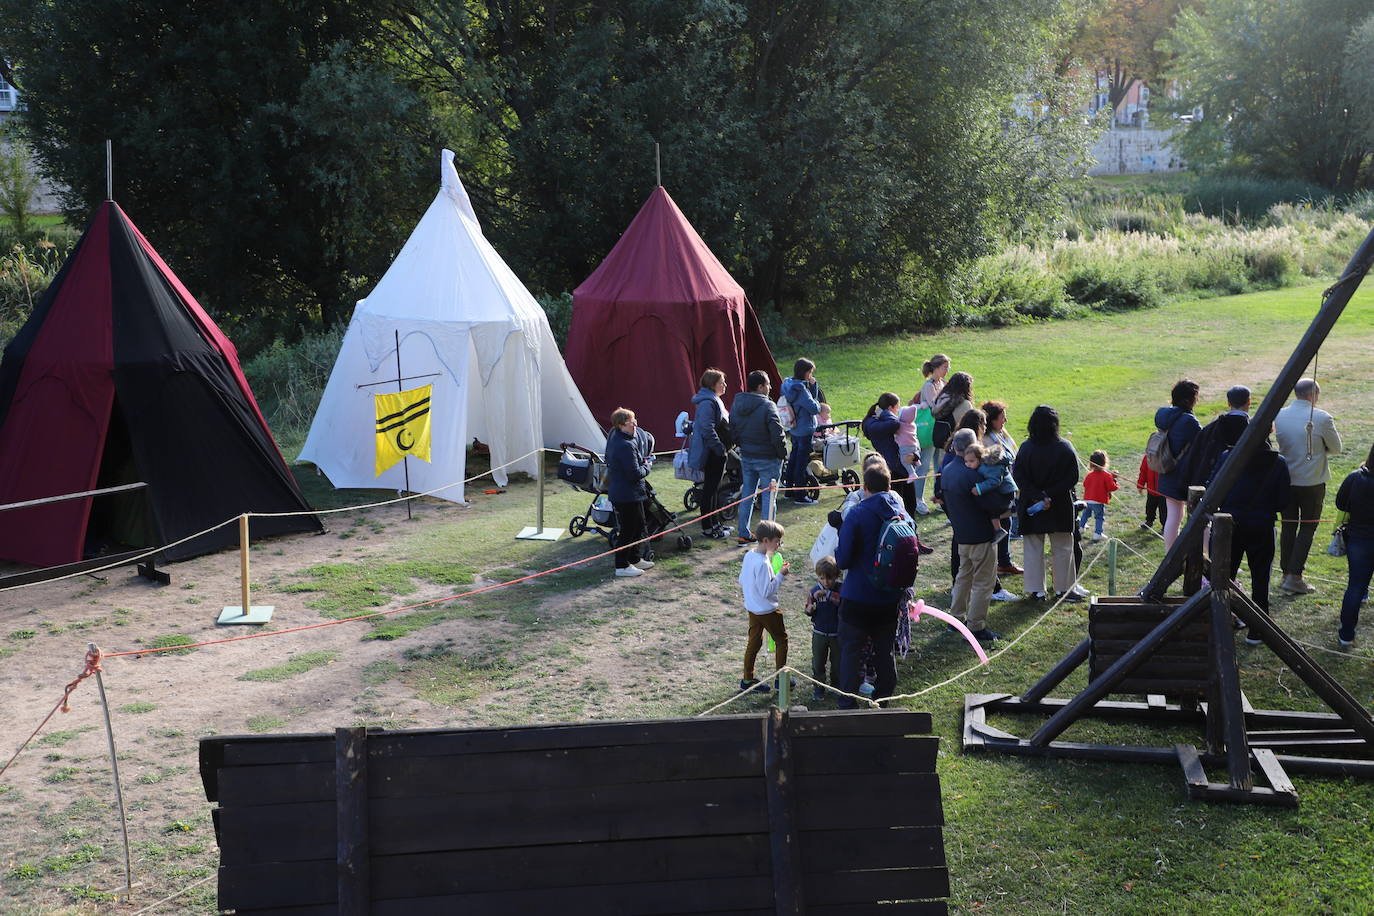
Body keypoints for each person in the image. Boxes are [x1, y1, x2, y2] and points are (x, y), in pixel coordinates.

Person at [1207, 416, 1288, 645]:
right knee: (1260, 579)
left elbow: (1213, 488)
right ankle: (1257, 630)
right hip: (1261, 525)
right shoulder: (1278, 463)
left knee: (1223, 578)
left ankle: (1220, 623)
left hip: (1229, 525)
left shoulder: (1227, 458)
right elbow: (1283, 500)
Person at [833, 463, 907, 708]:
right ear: (889, 486)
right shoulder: (901, 512)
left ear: (864, 487)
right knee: (884, 650)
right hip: (889, 595)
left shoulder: (857, 514)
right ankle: (882, 699)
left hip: (858, 595)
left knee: (851, 651)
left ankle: (848, 703)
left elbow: (842, 560)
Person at [1275, 378, 1343, 595]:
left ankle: (1287, 572)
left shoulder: (1281, 414)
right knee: (1307, 527)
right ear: (1313, 395)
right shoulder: (1322, 417)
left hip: (1287, 480)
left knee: (1288, 525)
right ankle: (1295, 576)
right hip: (1311, 482)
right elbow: (1336, 448)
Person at [1014, 405, 1084, 601]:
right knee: (1062, 547)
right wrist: (1048, 494)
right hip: (1059, 503)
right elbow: (1072, 478)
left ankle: (1036, 589)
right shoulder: (1064, 447)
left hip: (1032, 503)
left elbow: (1019, 476)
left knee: (1033, 548)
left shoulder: (1026, 448)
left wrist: (1038, 495)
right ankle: (1063, 588)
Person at [943, 435, 1006, 641]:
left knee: (963, 576)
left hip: (961, 535)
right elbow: (994, 504)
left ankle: (956, 618)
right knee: (983, 582)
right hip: (981, 536)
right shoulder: (973, 474)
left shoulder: (947, 471)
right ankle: (976, 626)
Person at [730, 370, 787, 545]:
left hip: (747, 456)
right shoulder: (768, 406)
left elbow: (733, 428)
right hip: (768, 458)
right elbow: (777, 434)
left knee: (747, 494)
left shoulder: (737, 403)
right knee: (769, 499)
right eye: (768, 384)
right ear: (761, 386)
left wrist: (742, 445)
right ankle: (768, 537)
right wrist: (783, 454)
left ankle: (743, 533)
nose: (770, 387)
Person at [738, 519, 790, 692]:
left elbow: (741, 580)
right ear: (766, 541)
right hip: (767, 610)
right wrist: (781, 574)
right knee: (781, 640)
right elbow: (767, 590)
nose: (779, 545)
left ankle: (747, 680)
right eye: (777, 541)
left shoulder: (749, 555)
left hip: (752, 608)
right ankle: (781, 680)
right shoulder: (763, 563)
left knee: (754, 643)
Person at [605, 408, 654, 578]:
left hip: (632, 493)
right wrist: (647, 467)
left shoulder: (623, 439)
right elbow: (633, 474)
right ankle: (622, 565)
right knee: (628, 530)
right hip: (626, 494)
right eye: (631, 422)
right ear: (621, 425)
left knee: (639, 525)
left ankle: (634, 557)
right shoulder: (624, 445)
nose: (635, 425)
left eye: (635, 421)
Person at [1154, 380, 1203, 550]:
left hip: (1167, 471)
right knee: (1200, 518)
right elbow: (1202, 443)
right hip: (1184, 476)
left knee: (1173, 517)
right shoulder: (1189, 421)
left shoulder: (1164, 416)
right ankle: (1207, 556)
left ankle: (1170, 555)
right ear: (1190, 399)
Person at [1334, 443, 1374, 646]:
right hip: (1360, 538)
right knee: (1357, 587)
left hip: (1360, 539)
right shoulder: (1356, 477)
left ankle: (1346, 634)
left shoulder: (1355, 478)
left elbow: (1341, 503)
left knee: (1355, 586)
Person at [688, 368, 730, 538]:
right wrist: (719, 447)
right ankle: (708, 527)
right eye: (721, 382)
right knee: (710, 490)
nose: (725, 385)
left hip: (716, 451)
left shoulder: (713, 399)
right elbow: (707, 428)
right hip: (712, 452)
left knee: (714, 489)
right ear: (713, 385)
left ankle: (716, 524)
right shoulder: (707, 402)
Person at [983, 401, 1023, 573]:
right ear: (992, 420)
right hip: (995, 489)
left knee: (1007, 521)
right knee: (1001, 524)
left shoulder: (999, 434)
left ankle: (1004, 562)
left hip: (1004, 485)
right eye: (1002, 417)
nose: (1005, 420)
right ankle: (1000, 563)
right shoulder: (986, 440)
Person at [780, 358, 822, 505]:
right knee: (801, 463)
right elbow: (814, 408)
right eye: (810, 372)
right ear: (805, 373)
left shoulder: (787, 385)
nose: (811, 375)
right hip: (804, 429)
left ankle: (789, 491)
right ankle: (800, 495)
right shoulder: (801, 390)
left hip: (794, 428)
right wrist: (814, 387)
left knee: (793, 460)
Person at [910, 354, 949, 514]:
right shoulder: (929, 385)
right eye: (945, 367)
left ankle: (939, 498)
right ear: (936, 368)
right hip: (929, 431)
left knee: (940, 466)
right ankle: (918, 500)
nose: (947, 370)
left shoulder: (942, 383)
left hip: (940, 431)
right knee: (924, 467)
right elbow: (936, 408)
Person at [862, 393, 911, 509]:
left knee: (907, 502)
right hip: (893, 468)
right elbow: (895, 424)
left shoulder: (878, 421)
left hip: (896, 466)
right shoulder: (875, 423)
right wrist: (886, 413)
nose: (897, 411)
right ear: (890, 408)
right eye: (896, 407)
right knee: (899, 503)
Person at [804, 556, 843, 701]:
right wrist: (809, 609)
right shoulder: (814, 590)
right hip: (819, 632)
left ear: (836, 576)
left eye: (830, 578)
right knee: (818, 662)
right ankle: (818, 689)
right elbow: (808, 608)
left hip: (837, 633)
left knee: (837, 662)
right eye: (822, 578)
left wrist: (827, 594)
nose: (826, 582)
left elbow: (842, 603)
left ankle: (836, 686)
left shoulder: (841, 588)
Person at [1077, 450, 1119, 542]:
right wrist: (1115, 480)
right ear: (1104, 462)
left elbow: (1085, 484)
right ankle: (1097, 534)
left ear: (1091, 464)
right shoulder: (1107, 475)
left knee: (1085, 514)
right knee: (1099, 517)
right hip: (1098, 501)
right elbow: (1112, 487)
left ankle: (1081, 528)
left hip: (1087, 500)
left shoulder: (1089, 475)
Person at [1136, 454, 1164, 532]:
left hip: (1163, 493)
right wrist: (1140, 485)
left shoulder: (1166, 457)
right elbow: (1143, 472)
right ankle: (1149, 521)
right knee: (1150, 507)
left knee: (1164, 510)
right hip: (1151, 490)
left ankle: (1165, 526)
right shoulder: (1148, 457)